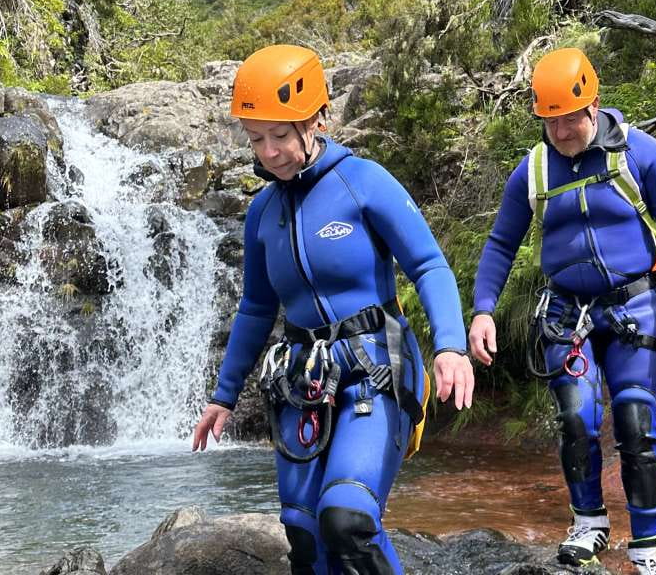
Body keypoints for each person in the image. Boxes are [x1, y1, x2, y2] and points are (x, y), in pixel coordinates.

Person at [192, 43, 475, 575]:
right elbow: (256, 308)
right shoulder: (261, 212)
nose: (269, 152)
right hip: (304, 378)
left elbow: (429, 265)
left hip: (375, 367)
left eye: (280, 135)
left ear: (317, 119)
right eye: (256, 139)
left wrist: (451, 347)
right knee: (304, 535)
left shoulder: (363, 181)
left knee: (347, 521)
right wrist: (223, 396)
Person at [468, 48, 656, 575]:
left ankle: (649, 548)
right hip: (565, 314)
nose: (561, 132)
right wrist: (483, 311)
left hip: (634, 305)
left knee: (636, 422)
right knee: (576, 419)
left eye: (569, 119)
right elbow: (501, 244)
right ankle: (589, 524)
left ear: (593, 105)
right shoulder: (532, 171)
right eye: (550, 122)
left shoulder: (641, 153)